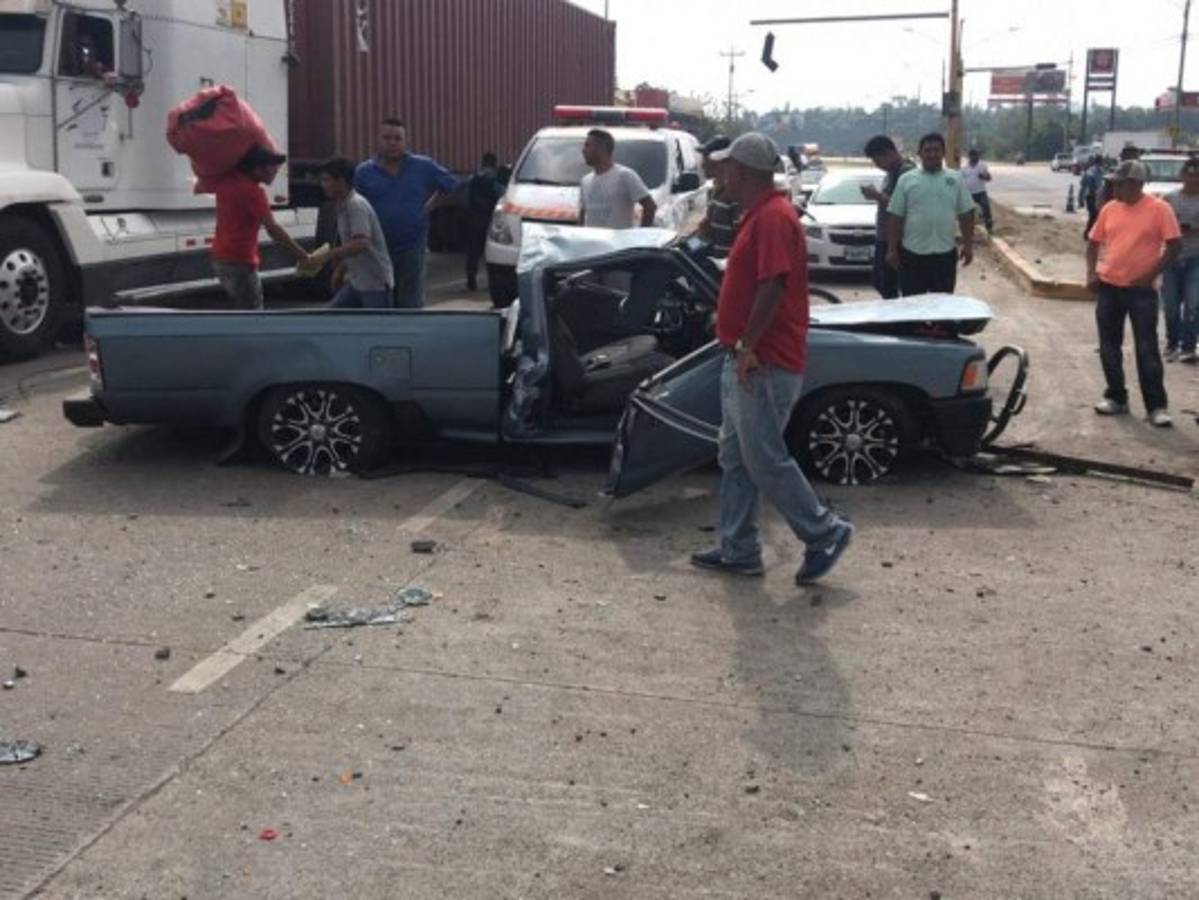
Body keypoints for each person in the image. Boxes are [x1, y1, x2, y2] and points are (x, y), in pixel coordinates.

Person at [689, 132, 853, 586]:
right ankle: (738, 548)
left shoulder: (774, 218)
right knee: (736, 456)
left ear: (743, 170)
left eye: (726, 167)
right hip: (745, 355)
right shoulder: (759, 215)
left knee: (762, 457)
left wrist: (747, 346)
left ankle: (824, 531)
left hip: (762, 360)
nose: (720, 173)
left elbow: (773, 285)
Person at [1086, 160, 1180, 427]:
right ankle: (1116, 396)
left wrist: (1150, 275)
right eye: (1113, 183)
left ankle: (1156, 406)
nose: (1113, 187)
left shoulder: (1159, 209)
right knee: (1108, 346)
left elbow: (1174, 246)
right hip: (1109, 287)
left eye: (1119, 183)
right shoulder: (1109, 209)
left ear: (1136, 184)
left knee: (1147, 348)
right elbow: (1092, 243)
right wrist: (1091, 273)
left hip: (1142, 291)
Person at [354, 118, 457, 308]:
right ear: (378, 140)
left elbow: (449, 184)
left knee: (410, 300)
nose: (392, 143)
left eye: (397, 138)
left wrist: (429, 206)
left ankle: (411, 335)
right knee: (377, 300)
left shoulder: (423, 166)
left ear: (405, 141)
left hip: (412, 245)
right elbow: (354, 208)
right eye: (387, 138)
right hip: (377, 249)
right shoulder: (364, 172)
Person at [212, 145, 311, 310]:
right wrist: (301, 255)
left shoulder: (227, 183)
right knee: (252, 314)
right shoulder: (253, 193)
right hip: (240, 261)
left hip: (220, 258)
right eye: (273, 167)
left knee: (239, 309)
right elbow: (273, 229)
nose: (276, 171)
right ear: (258, 168)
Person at [886, 132, 976, 296]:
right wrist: (892, 249)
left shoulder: (955, 179)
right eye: (927, 150)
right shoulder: (906, 180)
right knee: (913, 307)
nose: (932, 154)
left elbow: (966, 213)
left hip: (945, 255)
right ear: (920, 154)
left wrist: (968, 245)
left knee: (942, 308)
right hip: (912, 255)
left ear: (943, 153)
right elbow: (895, 216)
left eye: (936, 150)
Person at [317, 157, 394, 309]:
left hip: (375, 284)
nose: (323, 185)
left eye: (326, 180)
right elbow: (350, 245)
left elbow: (361, 244)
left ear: (341, 181)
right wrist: (340, 270)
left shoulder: (355, 205)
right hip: (358, 282)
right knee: (329, 318)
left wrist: (327, 256)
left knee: (379, 330)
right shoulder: (342, 205)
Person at [862, 134, 915, 299]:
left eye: (877, 161)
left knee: (890, 285)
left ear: (888, 153)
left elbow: (903, 207)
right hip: (884, 237)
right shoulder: (891, 172)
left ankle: (897, 322)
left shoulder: (905, 172)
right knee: (880, 282)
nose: (877, 165)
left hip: (896, 240)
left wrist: (877, 196)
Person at [1160, 156, 1199, 363]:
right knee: (1171, 304)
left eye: (1197, 175)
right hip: (1172, 257)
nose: (1192, 179)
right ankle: (1172, 342)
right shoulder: (1169, 199)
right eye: (1189, 174)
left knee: (1193, 303)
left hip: (1196, 257)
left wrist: (1191, 228)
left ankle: (1189, 345)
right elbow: (1159, 224)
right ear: (1183, 175)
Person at [579, 128, 657, 229]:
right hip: (592, 243)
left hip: (619, 244)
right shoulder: (585, 181)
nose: (583, 150)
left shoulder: (625, 176)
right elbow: (583, 214)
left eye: (588, 145)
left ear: (601, 149)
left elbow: (650, 206)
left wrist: (641, 237)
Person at [465, 152, 504, 293]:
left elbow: (467, 197)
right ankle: (492, 281)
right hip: (488, 218)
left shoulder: (473, 177)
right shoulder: (493, 178)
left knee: (473, 251)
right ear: (494, 163)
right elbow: (501, 194)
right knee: (490, 251)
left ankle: (471, 279)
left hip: (473, 218)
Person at [696, 134, 739, 257]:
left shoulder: (735, 195)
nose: (702, 164)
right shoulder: (715, 191)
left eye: (706, 157)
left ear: (719, 160)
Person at [961, 148, 993, 233]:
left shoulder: (982, 165)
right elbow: (960, 180)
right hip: (969, 193)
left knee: (986, 207)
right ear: (970, 157)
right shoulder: (964, 168)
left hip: (981, 192)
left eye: (977, 155)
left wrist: (984, 176)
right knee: (968, 211)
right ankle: (969, 229)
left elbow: (989, 178)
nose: (976, 157)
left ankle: (989, 227)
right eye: (974, 155)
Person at [1080, 155, 1105, 239]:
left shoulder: (1089, 170)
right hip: (1094, 195)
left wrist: (1081, 199)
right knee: (1095, 215)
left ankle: (1089, 233)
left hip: (1088, 195)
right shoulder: (1098, 171)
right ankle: (1089, 234)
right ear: (1101, 162)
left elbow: (1082, 184)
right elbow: (1099, 186)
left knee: (1093, 215)